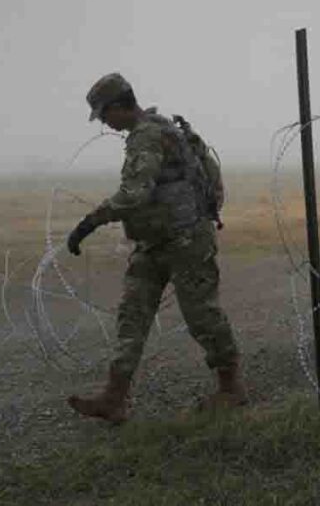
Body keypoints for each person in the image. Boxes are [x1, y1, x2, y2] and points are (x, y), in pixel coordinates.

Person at [66, 72, 246, 424]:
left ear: (120, 106)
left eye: (104, 114)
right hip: (154, 243)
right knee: (132, 315)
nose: (104, 123)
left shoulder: (147, 136)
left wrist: (90, 222)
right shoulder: (156, 129)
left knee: (201, 315)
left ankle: (231, 387)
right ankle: (114, 398)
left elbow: (135, 193)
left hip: (187, 242)